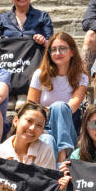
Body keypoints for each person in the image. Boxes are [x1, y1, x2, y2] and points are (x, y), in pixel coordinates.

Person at [28, 32, 88, 161]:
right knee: (47, 141)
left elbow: (71, 107)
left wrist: (49, 109)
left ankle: (62, 157)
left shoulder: (81, 78)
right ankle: (59, 165)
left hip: (67, 127)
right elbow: (31, 107)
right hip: (43, 126)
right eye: (53, 49)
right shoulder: (40, 75)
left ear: (72, 52)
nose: (57, 53)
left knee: (59, 106)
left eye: (62, 48)